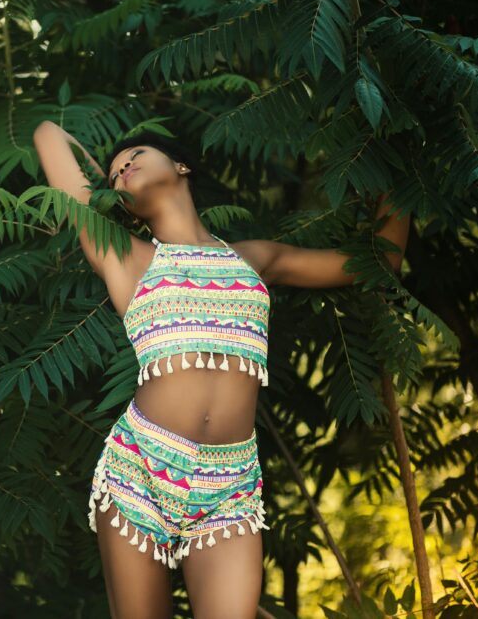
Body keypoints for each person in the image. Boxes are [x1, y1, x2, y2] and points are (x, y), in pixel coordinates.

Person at [31, 120, 409, 619]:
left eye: (136, 154)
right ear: (121, 206)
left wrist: (402, 175)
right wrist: (100, 172)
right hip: (139, 470)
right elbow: (46, 133)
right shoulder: (125, 256)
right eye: (117, 172)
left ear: (181, 165)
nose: (124, 167)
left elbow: (375, 265)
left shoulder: (253, 259)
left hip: (230, 484)